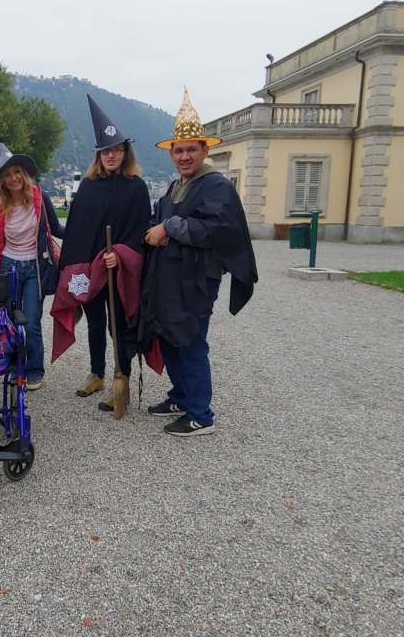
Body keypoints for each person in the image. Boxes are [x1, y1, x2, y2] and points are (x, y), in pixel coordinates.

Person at [137, 88, 258, 437]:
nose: (185, 156)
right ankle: (181, 396)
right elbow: (158, 219)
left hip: (195, 280)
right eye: (179, 150)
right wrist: (153, 230)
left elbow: (218, 230)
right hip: (169, 277)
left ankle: (201, 415)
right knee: (170, 337)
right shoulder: (176, 186)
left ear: (205, 150)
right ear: (171, 154)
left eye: (191, 149)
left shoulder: (216, 186)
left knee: (190, 341)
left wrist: (169, 227)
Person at [55, 96, 150, 410]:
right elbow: (78, 230)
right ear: (99, 155)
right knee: (95, 322)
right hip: (90, 270)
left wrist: (119, 254)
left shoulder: (136, 187)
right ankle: (96, 373)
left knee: (118, 325)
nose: (111, 155)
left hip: (119, 271)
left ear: (125, 152)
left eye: (117, 150)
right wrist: (71, 267)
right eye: (106, 151)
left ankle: (121, 377)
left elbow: (140, 231)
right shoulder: (88, 187)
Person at [0, 143, 65, 391]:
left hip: (35, 268)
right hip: (8, 265)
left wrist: (85, 230)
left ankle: (33, 370)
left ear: (24, 174)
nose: (13, 178)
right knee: (9, 321)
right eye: (7, 175)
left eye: (17, 172)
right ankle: (13, 368)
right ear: (2, 181)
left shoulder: (41, 198)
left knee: (31, 322)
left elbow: (56, 228)